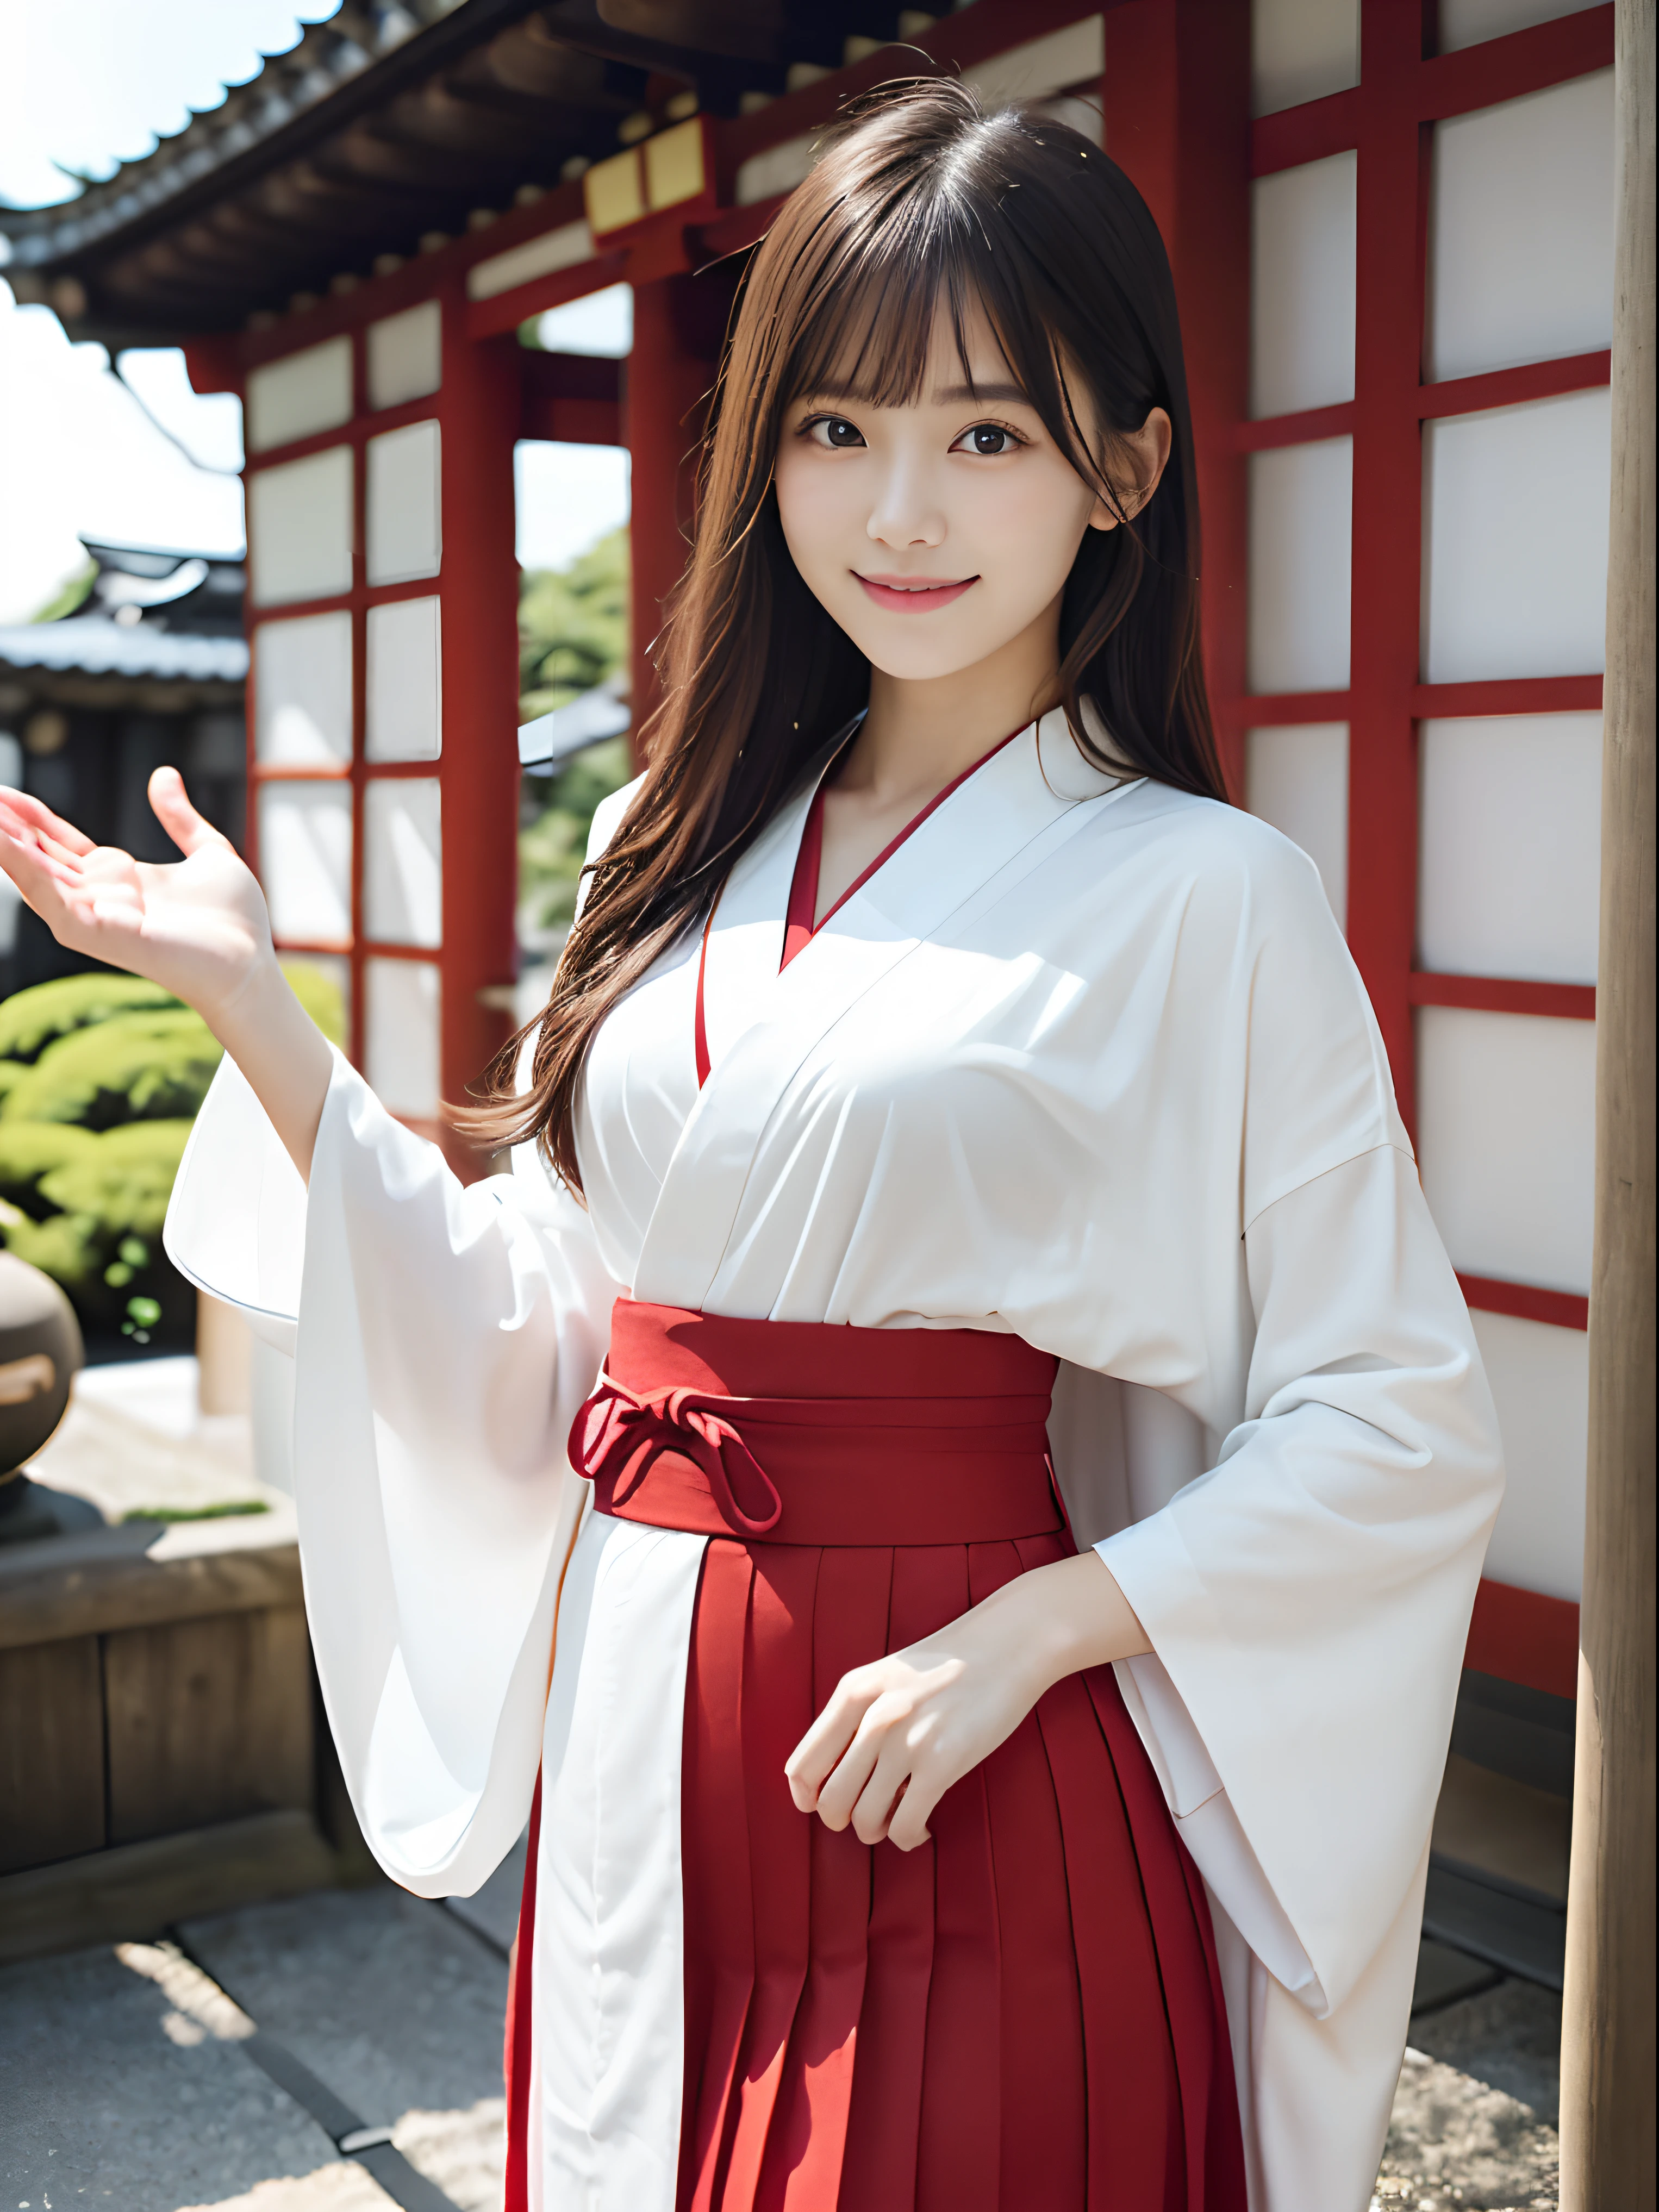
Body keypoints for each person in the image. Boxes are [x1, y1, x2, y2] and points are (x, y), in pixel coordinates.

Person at [0, 80, 1502, 2212]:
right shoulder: (661, 854)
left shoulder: (1205, 895)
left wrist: (1050, 1625)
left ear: (1126, 465)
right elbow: (542, 1319)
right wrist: (253, 1003)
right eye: (834, 427)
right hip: (645, 1724)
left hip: (960, 1745)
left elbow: (1396, 1418)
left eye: (987, 432)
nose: (902, 506)